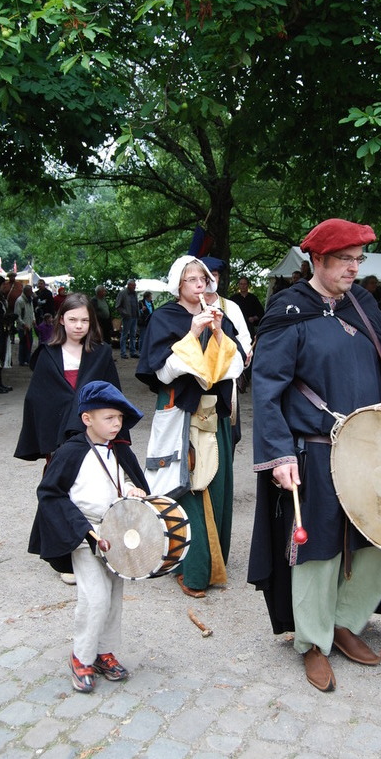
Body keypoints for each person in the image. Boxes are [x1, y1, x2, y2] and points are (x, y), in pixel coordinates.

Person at [248, 218, 381, 693]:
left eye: (358, 259)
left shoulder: (362, 303)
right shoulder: (289, 311)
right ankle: (313, 641)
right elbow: (267, 390)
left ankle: (347, 621)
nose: (354, 268)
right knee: (319, 548)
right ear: (318, 260)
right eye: (344, 260)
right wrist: (279, 455)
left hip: (371, 447)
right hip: (314, 449)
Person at [28, 380, 149, 692]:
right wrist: (83, 529)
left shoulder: (120, 451)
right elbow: (51, 494)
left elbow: (129, 481)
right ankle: (81, 657)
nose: (117, 424)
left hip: (116, 534)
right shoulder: (70, 452)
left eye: (119, 418)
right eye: (109, 418)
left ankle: (103, 652)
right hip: (83, 533)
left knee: (114, 595)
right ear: (87, 419)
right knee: (95, 597)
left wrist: (133, 490)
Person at [136, 256, 245, 598]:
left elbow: (237, 364)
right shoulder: (165, 318)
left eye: (204, 278)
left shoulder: (219, 316)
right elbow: (162, 372)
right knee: (187, 484)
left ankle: (213, 563)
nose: (200, 284)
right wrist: (193, 334)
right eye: (192, 279)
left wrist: (217, 332)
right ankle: (190, 568)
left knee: (216, 484)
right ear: (178, 285)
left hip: (215, 415)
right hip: (181, 414)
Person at [15, 292, 124, 463]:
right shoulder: (48, 354)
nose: (78, 326)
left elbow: (112, 394)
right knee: (61, 473)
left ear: (91, 322)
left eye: (84, 320)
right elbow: (36, 398)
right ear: (61, 320)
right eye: (72, 320)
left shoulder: (101, 353)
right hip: (57, 428)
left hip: (93, 429)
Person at [202, 256, 253, 446]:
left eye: (214, 275)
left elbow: (245, 340)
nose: (209, 280)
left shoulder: (231, 308)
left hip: (225, 382)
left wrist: (244, 355)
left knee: (228, 435)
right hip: (196, 382)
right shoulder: (188, 307)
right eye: (205, 276)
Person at [229, 276, 264, 340]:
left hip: (250, 327)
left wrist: (253, 318)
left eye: (245, 284)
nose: (243, 286)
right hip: (236, 327)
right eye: (241, 284)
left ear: (248, 285)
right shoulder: (233, 298)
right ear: (239, 285)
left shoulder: (253, 298)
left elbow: (261, 313)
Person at [115, 279, 140, 359]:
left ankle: (133, 352)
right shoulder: (122, 293)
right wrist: (125, 313)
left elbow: (136, 304)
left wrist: (138, 313)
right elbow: (118, 306)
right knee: (124, 335)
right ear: (129, 285)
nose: (135, 287)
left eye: (135, 285)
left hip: (135, 317)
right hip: (127, 317)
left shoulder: (134, 293)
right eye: (133, 285)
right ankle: (123, 353)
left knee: (133, 335)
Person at [14, 283, 36, 366]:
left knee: (29, 343)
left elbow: (32, 311)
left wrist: (33, 319)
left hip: (29, 325)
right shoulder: (20, 301)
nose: (31, 293)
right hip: (22, 327)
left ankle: (27, 359)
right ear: (26, 292)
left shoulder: (30, 300)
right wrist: (23, 324)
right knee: (23, 343)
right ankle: (22, 360)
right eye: (30, 291)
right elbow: (17, 315)